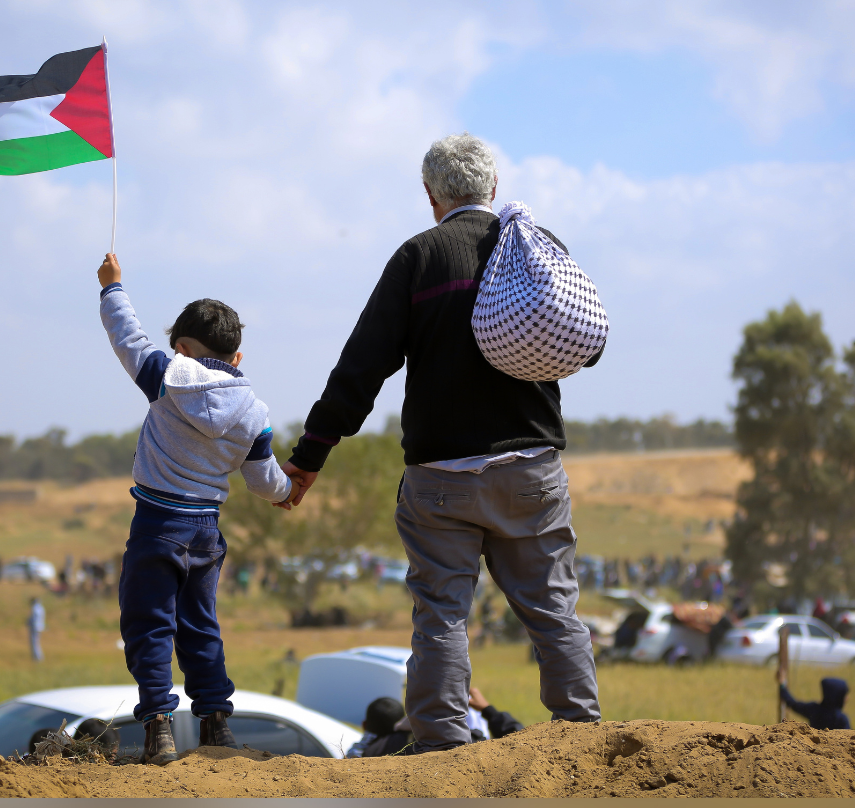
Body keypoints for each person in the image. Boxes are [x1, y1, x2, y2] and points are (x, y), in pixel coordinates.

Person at [279, 133, 602, 754]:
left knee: (442, 614)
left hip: (442, 481)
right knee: (554, 608)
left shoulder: (418, 258)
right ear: (494, 189)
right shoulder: (538, 248)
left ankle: (440, 751)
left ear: (431, 195)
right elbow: (587, 340)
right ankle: (582, 738)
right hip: (531, 471)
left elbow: (361, 368)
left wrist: (310, 455)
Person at [97, 253, 297, 766]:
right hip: (206, 533)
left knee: (149, 626)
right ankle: (215, 725)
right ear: (237, 357)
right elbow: (263, 479)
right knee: (200, 626)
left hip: (157, 526)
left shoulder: (167, 377)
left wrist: (112, 288)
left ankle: (159, 728)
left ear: (183, 348)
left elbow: (127, 338)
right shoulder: (254, 413)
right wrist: (286, 493)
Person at [776, 674, 851, 730]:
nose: (847, 698)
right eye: (844, 695)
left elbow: (792, 703)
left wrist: (782, 685)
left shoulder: (814, 709)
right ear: (837, 696)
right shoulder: (841, 719)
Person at [27, 597, 45, 662]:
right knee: (37, 643)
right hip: (40, 627)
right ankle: (39, 658)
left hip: (34, 627)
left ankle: (37, 658)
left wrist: (28, 622)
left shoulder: (35, 608)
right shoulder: (41, 608)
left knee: (34, 643)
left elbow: (33, 619)